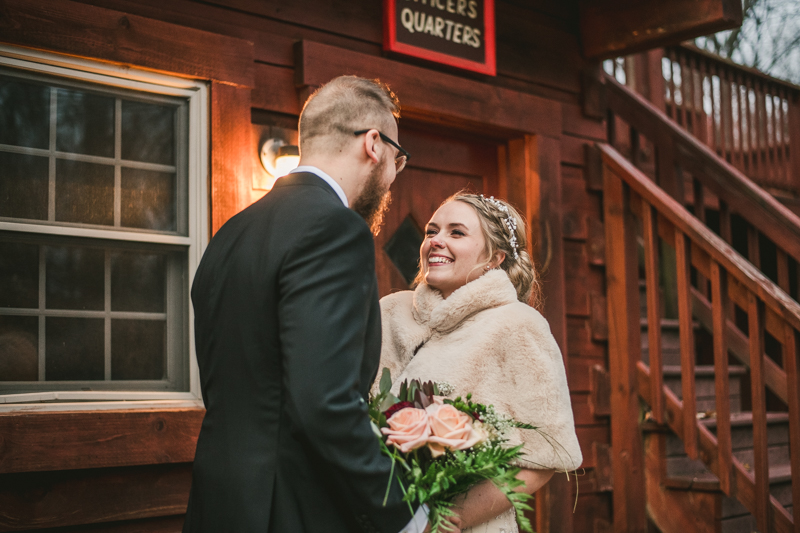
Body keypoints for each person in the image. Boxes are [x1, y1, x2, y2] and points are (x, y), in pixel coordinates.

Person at [185, 76, 451, 533]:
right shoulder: (335, 229)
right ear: (373, 144)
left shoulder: (230, 233)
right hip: (289, 510)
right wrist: (406, 515)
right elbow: (324, 405)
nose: (392, 176)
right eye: (397, 158)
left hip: (220, 503)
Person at [378, 192, 583, 532]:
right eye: (431, 232)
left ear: (495, 257)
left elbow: (544, 457)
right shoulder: (390, 311)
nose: (436, 242)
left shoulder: (518, 325)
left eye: (456, 233)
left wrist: (443, 522)